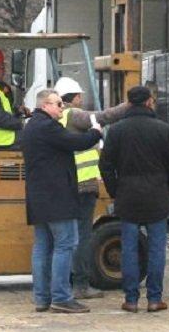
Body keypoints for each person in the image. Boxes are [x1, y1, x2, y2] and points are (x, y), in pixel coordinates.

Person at [100, 86, 169, 313]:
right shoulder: (163, 130)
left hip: (127, 196)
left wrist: (115, 190)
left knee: (129, 249)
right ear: (148, 102)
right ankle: (155, 299)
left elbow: (105, 165)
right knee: (157, 249)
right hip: (157, 196)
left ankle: (131, 299)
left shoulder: (116, 131)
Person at [22, 88, 103, 314]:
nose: (62, 107)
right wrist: (96, 132)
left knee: (42, 247)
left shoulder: (31, 127)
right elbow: (75, 142)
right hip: (57, 198)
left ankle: (41, 298)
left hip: (38, 198)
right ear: (44, 106)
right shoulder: (48, 127)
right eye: (58, 104)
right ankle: (61, 297)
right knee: (66, 244)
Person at [53, 76, 128, 300]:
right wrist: (129, 105)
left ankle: (64, 283)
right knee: (82, 236)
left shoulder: (55, 118)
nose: (81, 100)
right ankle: (81, 285)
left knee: (65, 238)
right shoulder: (74, 115)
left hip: (64, 185)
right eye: (80, 96)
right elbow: (103, 117)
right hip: (83, 186)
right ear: (74, 97)